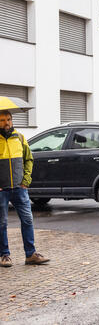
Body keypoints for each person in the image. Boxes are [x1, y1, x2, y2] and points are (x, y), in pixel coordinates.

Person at [0, 110, 49, 267]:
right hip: (2, 190)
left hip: (20, 188)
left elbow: (29, 159)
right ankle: (5, 255)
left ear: (12, 121)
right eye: (2, 120)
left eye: (8, 119)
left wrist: (26, 181)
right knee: (2, 223)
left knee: (27, 220)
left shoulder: (20, 138)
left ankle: (30, 254)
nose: (6, 123)